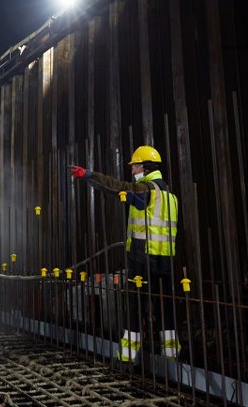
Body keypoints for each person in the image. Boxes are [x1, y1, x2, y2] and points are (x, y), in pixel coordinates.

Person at [70, 145, 180, 364]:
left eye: (136, 166)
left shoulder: (145, 190)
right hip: (166, 260)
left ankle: (127, 358)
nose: (133, 170)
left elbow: (117, 187)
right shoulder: (170, 196)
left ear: (146, 167)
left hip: (142, 258)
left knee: (135, 306)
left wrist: (89, 175)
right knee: (166, 307)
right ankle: (171, 357)